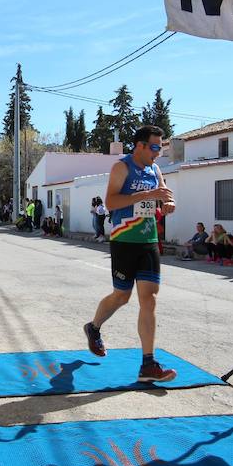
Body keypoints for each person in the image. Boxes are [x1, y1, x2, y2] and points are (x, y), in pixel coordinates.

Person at [83, 125, 178, 383]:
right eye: (155, 147)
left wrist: (168, 204)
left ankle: (148, 364)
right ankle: (93, 327)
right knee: (122, 296)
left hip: (148, 240)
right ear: (140, 146)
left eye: (161, 147)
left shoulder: (155, 169)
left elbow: (165, 196)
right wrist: (149, 194)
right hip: (124, 240)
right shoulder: (121, 168)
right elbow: (111, 203)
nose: (158, 153)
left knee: (149, 299)